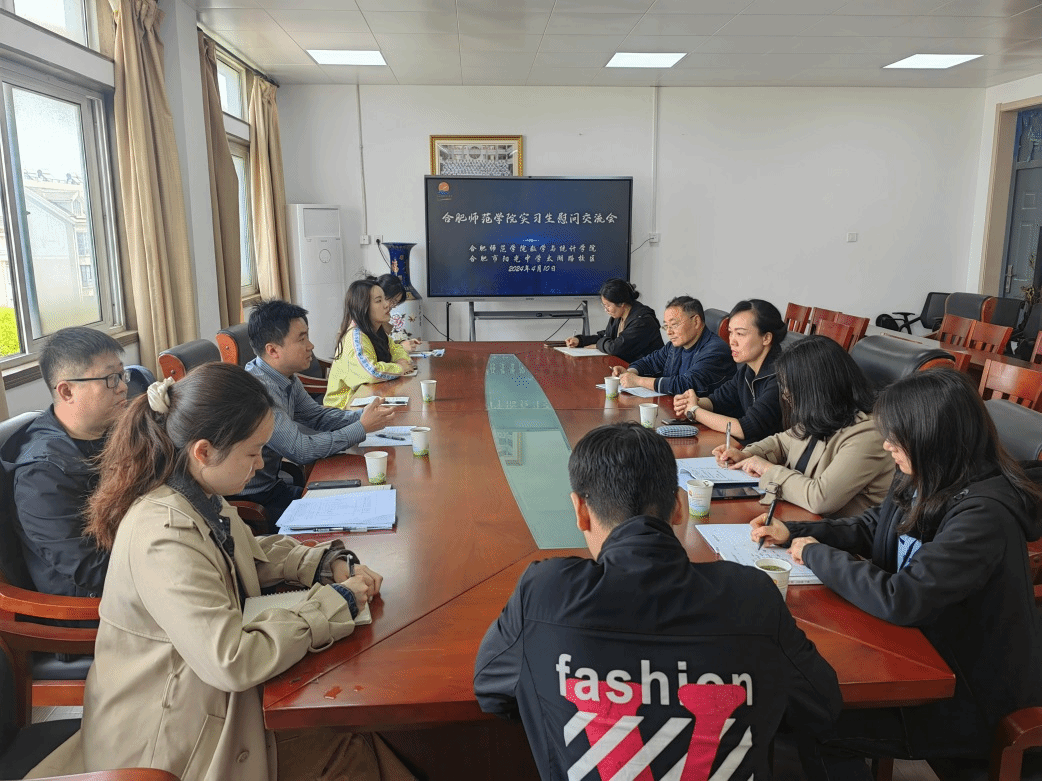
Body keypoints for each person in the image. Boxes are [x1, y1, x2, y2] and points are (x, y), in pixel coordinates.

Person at [26, 362, 409, 781]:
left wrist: (319, 562)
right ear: (204, 451)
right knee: (347, 745)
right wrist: (334, 604)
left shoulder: (194, 490)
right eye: (253, 452)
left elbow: (242, 553)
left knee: (354, 730)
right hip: (168, 739)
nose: (261, 464)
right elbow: (231, 661)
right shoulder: (162, 532)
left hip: (200, 697)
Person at [474, 422, 842, 781]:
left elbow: (491, 690)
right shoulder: (753, 598)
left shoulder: (545, 594)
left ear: (581, 511)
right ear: (679, 506)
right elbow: (820, 706)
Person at [751, 368, 1042, 780]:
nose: (887, 444)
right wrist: (795, 532)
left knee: (812, 717)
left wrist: (817, 555)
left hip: (963, 693)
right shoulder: (923, 474)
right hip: (908, 649)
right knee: (793, 698)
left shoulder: (984, 514)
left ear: (932, 438)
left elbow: (904, 597)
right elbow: (876, 526)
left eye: (896, 436)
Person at [230, 299, 395, 525]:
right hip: (253, 501)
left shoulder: (285, 377)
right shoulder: (258, 391)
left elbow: (317, 416)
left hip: (274, 487)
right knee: (350, 513)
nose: (311, 346)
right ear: (273, 350)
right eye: (302, 339)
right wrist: (361, 427)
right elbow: (301, 450)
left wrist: (364, 416)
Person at [0, 327, 128, 597]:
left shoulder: (113, 431)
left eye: (121, 374)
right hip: (91, 605)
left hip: (133, 564)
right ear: (67, 391)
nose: (123, 387)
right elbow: (91, 570)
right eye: (110, 378)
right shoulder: (40, 475)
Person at [712, 335, 893, 517]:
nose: (785, 394)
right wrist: (748, 454)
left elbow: (820, 498)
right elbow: (782, 442)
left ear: (815, 389)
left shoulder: (869, 433)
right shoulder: (825, 413)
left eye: (792, 388)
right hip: (797, 517)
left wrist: (767, 469)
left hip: (830, 530)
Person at [674, 298, 785, 443]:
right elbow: (717, 401)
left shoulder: (780, 377)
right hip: (749, 451)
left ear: (766, 338)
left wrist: (695, 411)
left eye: (740, 334)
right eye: (731, 332)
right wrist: (692, 402)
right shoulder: (748, 370)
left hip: (773, 455)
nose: (732, 341)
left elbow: (745, 429)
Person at [610, 295, 734, 395]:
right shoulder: (675, 346)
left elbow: (685, 385)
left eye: (674, 325)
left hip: (706, 416)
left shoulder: (716, 350)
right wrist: (630, 372)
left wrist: (638, 381)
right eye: (666, 326)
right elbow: (650, 361)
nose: (669, 332)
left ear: (696, 321)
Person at [324, 278, 417, 409]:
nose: (387, 305)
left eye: (385, 299)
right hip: (343, 409)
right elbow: (371, 371)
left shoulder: (376, 330)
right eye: (379, 301)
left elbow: (396, 349)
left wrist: (402, 360)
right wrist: (400, 368)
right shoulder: (355, 336)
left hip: (364, 400)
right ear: (363, 307)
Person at [563, 278, 663, 362]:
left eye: (608, 306)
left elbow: (615, 348)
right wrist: (580, 340)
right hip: (627, 368)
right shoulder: (618, 316)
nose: (605, 310)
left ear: (622, 303)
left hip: (646, 373)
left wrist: (598, 345)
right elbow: (606, 336)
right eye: (604, 305)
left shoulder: (642, 321)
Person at [376, 273, 421, 351]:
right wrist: (401, 347)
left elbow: (385, 345)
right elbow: (376, 354)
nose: (392, 307)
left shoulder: (380, 322)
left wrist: (403, 343)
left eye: (396, 303)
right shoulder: (363, 326)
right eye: (393, 301)